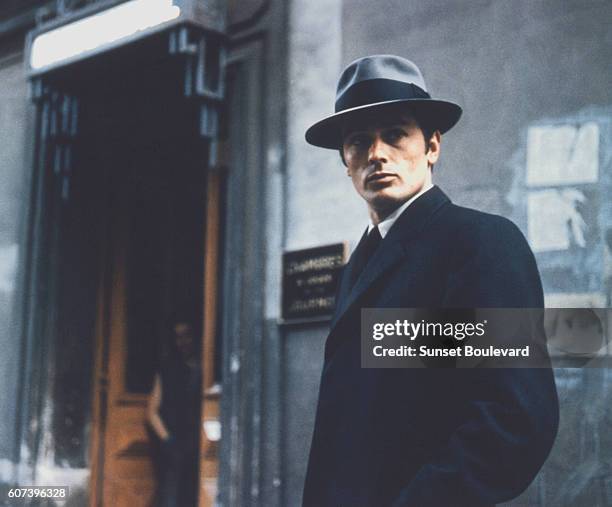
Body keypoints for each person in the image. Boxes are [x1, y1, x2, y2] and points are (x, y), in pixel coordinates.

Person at [302, 55, 559, 507]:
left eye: (396, 135)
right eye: (359, 141)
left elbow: (513, 420)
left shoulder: (480, 243)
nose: (377, 154)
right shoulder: (355, 269)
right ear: (345, 161)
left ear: (432, 147)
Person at [147, 321, 201, 507]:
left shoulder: (205, 368)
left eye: (187, 335)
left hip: (198, 445)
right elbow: (152, 412)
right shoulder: (167, 368)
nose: (183, 342)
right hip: (174, 446)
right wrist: (168, 440)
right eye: (178, 337)